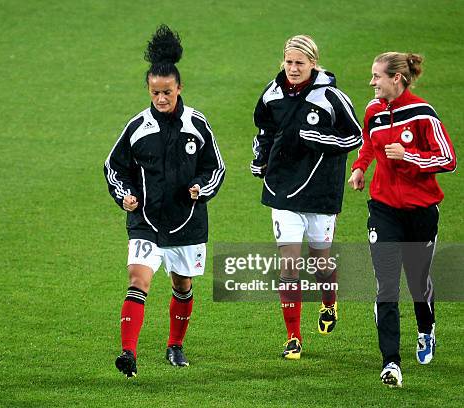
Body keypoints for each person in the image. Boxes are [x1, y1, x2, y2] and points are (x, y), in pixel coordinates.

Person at [104, 24, 225, 378]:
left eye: (167, 92)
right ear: (148, 89)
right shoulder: (137, 127)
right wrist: (123, 195)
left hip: (187, 221)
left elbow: (215, 167)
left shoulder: (197, 124)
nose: (161, 99)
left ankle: (175, 346)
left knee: (182, 285)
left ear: (179, 88)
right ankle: (128, 354)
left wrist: (202, 187)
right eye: (155, 92)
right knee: (137, 280)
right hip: (146, 220)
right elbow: (115, 167)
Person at [250, 35, 362, 360]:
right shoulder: (271, 94)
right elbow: (264, 132)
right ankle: (293, 337)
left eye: (300, 63)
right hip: (282, 188)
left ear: (314, 63)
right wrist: (260, 158)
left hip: (321, 191)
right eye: (289, 62)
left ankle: (329, 303)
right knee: (288, 264)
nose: (293, 68)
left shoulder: (331, 96)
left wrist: (321, 139)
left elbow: (355, 135)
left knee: (321, 263)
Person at [348, 52, 456, 388]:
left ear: (397, 78)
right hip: (383, 209)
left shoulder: (423, 114)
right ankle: (391, 362)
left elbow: (448, 159)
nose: (372, 82)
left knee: (418, 282)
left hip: (421, 211)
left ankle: (426, 330)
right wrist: (360, 167)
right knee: (387, 286)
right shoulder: (373, 110)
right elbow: (368, 142)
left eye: (377, 76)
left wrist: (408, 155)